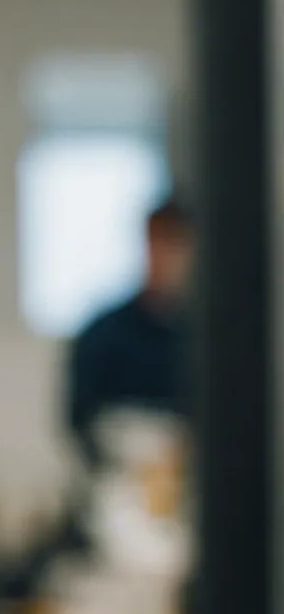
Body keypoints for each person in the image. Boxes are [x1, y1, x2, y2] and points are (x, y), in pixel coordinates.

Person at [66, 195, 192, 465]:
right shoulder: (104, 334)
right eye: (158, 242)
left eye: (176, 245)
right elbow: (79, 420)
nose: (166, 258)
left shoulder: (206, 341)